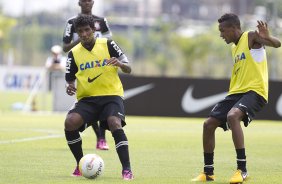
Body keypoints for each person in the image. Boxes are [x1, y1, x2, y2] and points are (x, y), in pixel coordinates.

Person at [192, 13, 281, 183]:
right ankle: (208, 172)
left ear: (234, 28)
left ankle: (242, 170)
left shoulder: (251, 37)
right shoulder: (234, 48)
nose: (220, 35)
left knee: (233, 116)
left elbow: (277, 44)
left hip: (255, 91)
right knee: (208, 124)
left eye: (222, 30)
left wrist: (268, 37)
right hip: (236, 93)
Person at [64, 14, 134, 180]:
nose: (84, 34)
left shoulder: (108, 44)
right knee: (70, 123)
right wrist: (69, 86)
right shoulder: (73, 53)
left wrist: (120, 64)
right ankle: (80, 164)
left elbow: (129, 68)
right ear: (77, 33)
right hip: (87, 100)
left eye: (87, 30)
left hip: (111, 96)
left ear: (94, 29)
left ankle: (127, 169)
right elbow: (69, 79)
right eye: (80, 31)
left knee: (115, 123)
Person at [63, 0, 112, 150]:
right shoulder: (71, 22)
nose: (87, 3)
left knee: (103, 99)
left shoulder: (102, 21)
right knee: (88, 102)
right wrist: (80, 39)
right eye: (84, 1)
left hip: (100, 65)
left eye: (89, 0)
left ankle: (102, 138)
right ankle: (100, 137)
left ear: (93, 2)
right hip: (82, 65)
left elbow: (110, 41)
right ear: (79, 3)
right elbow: (65, 47)